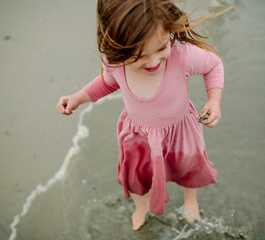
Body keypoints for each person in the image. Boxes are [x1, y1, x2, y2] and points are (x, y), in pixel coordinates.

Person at [57, 0, 229, 231]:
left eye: (161, 48)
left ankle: (191, 200)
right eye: (139, 56)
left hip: (180, 129)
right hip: (138, 135)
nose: (153, 61)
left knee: (189, 167)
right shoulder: (116, 63)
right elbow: (107, 84)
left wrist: (214, 100)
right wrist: (79, 97)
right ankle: (142, 205)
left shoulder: (182, 56)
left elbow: (214, 65)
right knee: (136, 178)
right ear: (117, 47)